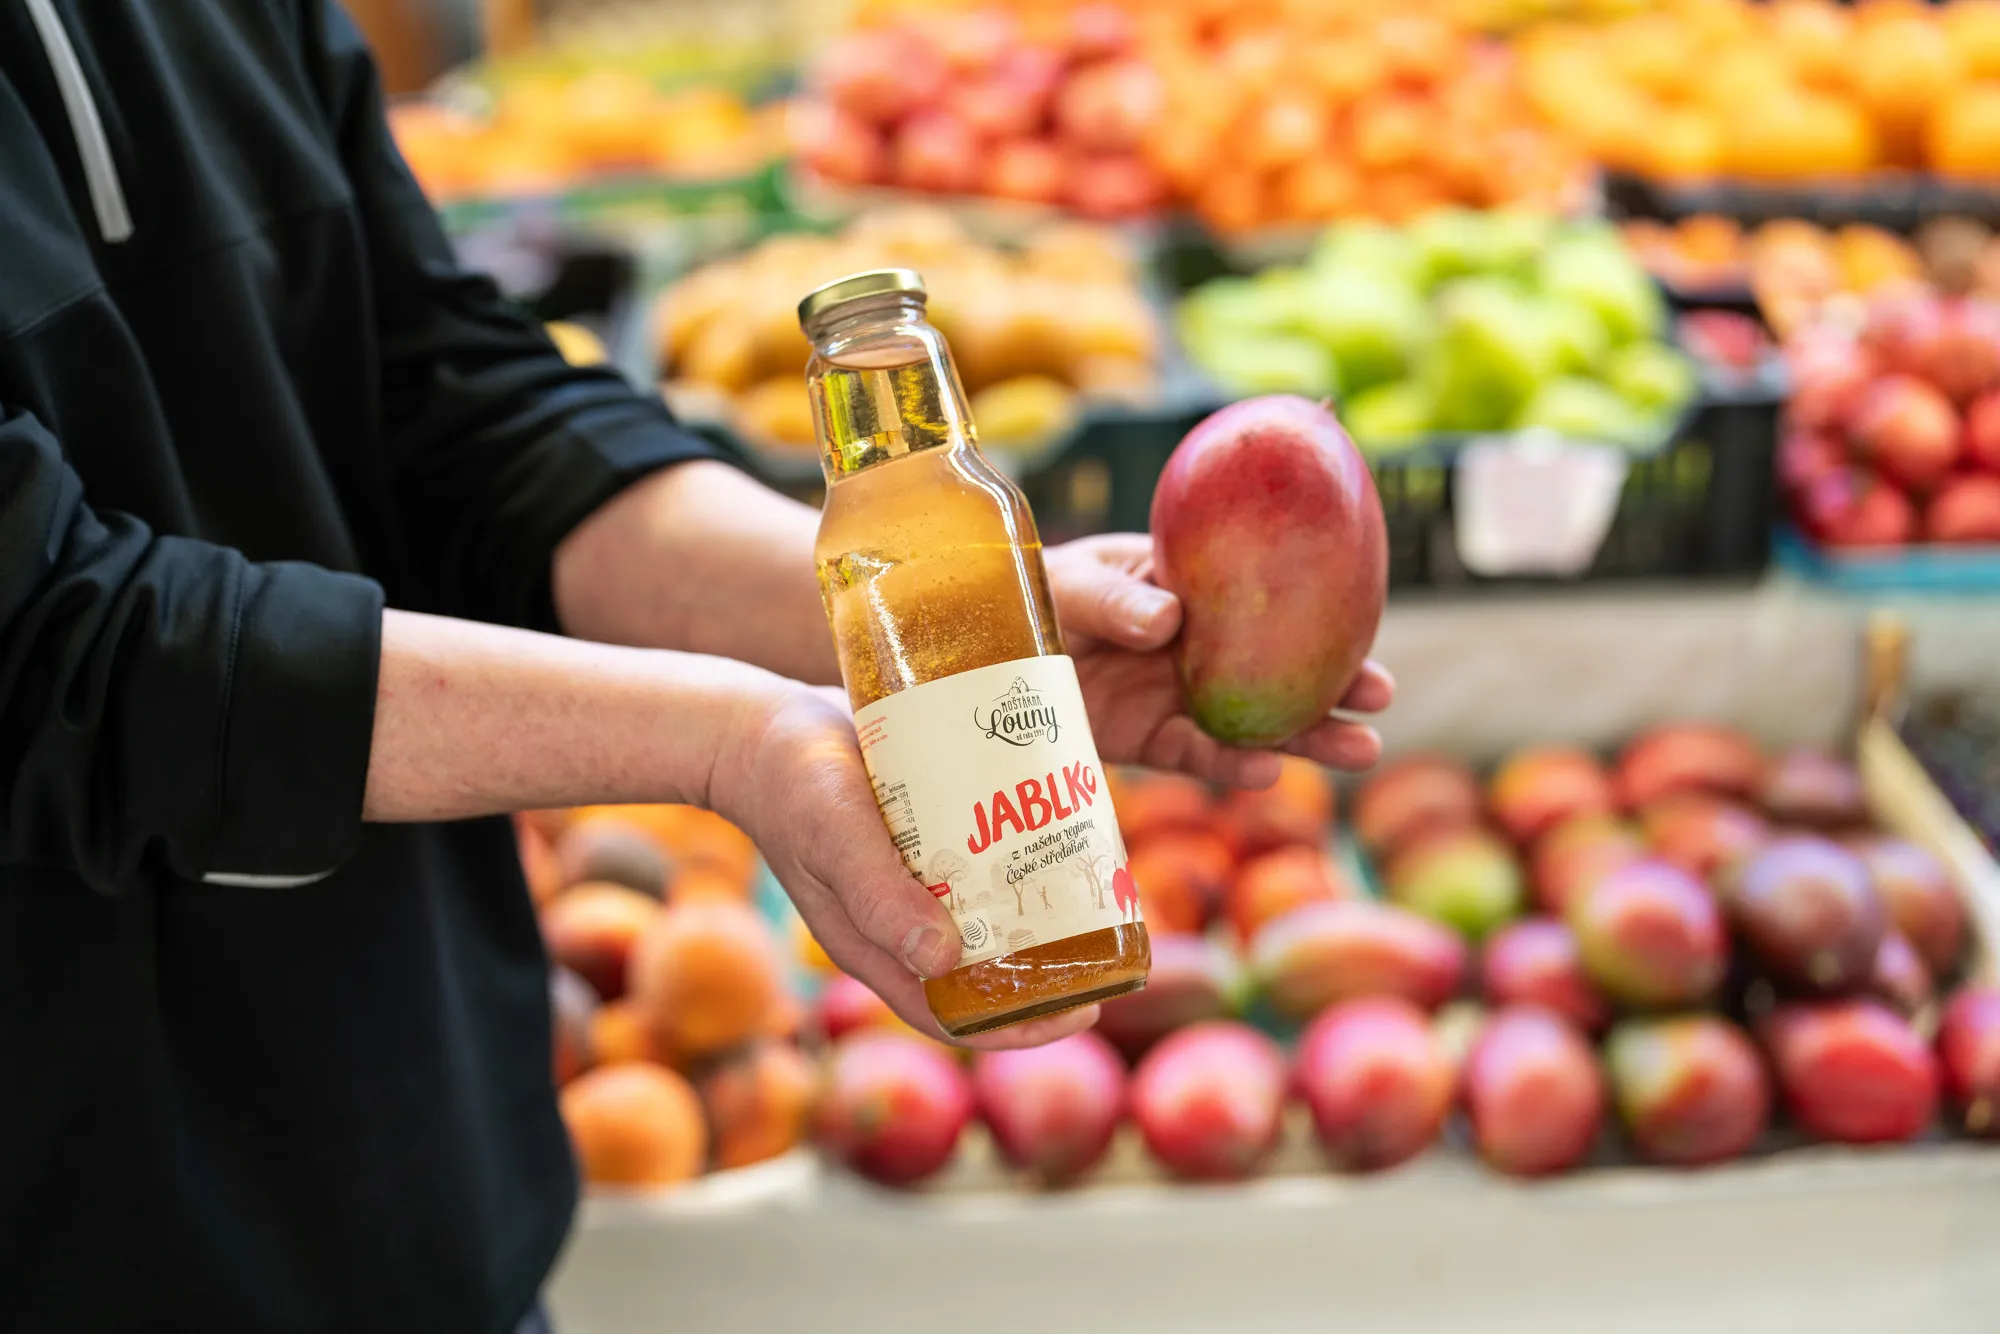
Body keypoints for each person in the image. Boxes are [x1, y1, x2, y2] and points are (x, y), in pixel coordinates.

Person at [0, 3, 1392, 1332]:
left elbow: (448, 398)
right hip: (91, 1223)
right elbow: (56, 647)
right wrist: (724, 739)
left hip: (425, 1155)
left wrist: (932, 611)